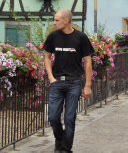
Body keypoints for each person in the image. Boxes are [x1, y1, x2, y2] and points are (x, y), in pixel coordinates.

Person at [44, 9, 94, 153]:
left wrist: (88, 85)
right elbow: (47, 57)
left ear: (66, 21)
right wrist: (51, 77)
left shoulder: (81, 38)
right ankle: (60, 140)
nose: (54, 23)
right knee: (53, 117)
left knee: (69, 118)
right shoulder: (53, 36)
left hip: (74, 83)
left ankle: (65, 150)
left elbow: (88, 61)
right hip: (57, 82)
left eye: (57, 20)